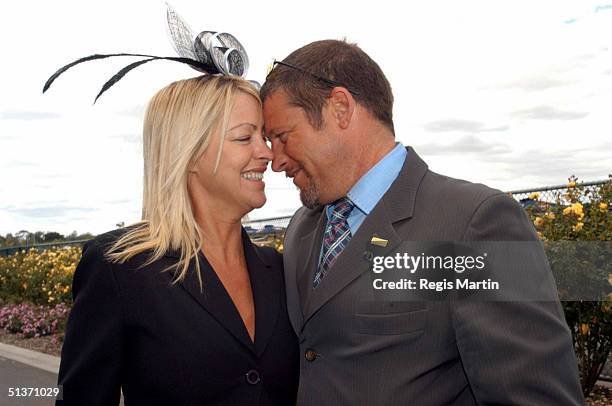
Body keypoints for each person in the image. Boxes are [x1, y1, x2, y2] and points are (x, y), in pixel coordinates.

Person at [261, 40, 584, 405]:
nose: (275, 161)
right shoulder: (302, 229)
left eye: (283, 137)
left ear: (340, 108)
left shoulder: (474, 224)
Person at [56, 75, 299, 405]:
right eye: (245, 137)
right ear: (190, 152)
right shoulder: (120, 268)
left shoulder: (278, 267)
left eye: (265, 137)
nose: (267, 154)